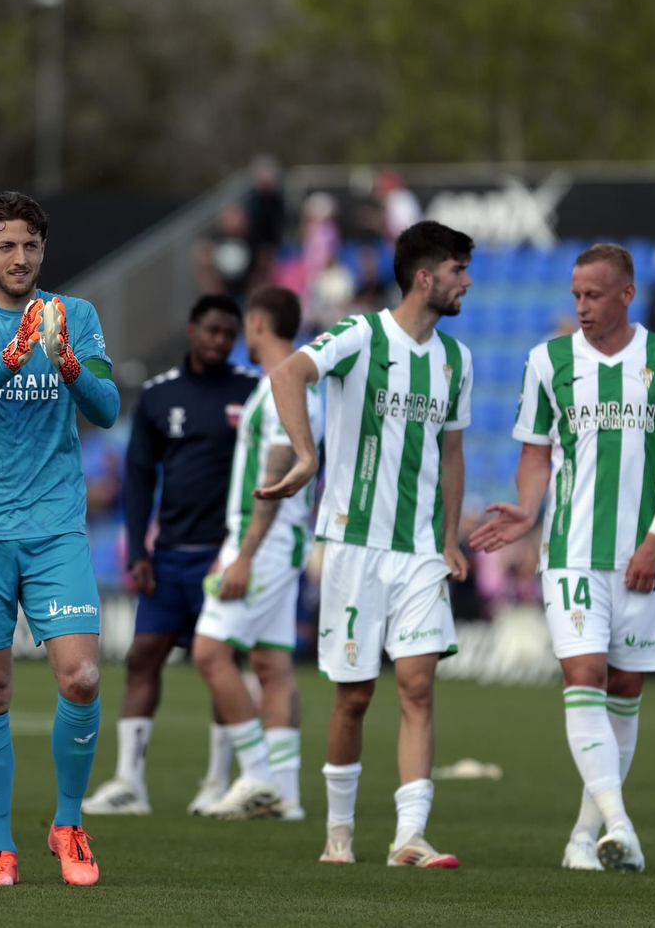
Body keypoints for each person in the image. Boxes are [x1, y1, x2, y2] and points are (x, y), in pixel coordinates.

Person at [472, 243, 655, 874]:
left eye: (594, 295)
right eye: (576, 294)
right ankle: (621, 824)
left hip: (643, 554)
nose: (581, 306)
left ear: (627, 294)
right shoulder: (548, 361)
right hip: (571, 551)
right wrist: (527, 509)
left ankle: (585, 838)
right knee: (585, 677)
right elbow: (535, 453)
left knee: (626, 688)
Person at [258, 220, 474, 869]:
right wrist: (305, 452)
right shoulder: (361, 334)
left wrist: (450, 537)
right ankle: (339, 836)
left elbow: (453, 451)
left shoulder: (455, 360)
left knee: (418, 686)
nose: (467, 283)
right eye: (458, 271)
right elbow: (288, 374)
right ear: (425, 276)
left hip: (418, 553)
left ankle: (409, 836)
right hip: (353, 544)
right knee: (354, 695)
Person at [0, 191, 119, 887]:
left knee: (82, 675)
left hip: (55, 527)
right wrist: (11, 358)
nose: (20, 258)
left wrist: (65, 362)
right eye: (6, 246)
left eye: (31, 245)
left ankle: (67, 823)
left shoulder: (77, 315)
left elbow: (107, 405)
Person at [84, 294, 259, 816]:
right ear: (191, 330)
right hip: (170, 556)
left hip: (222, 557)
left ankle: (216, 782)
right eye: (212, 331)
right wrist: (139, 549)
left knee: (222, 665)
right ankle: (129, 782)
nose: (220, 342)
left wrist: (242, 551)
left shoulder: (252, 392)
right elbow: (138, 476)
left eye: (229, 334)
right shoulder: (161, 396)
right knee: (143, 658)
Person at [194, 286, 320, 821]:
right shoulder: (298, 388)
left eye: (247, 323)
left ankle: (256, 776)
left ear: (260, 322)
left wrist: (242, 555)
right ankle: (286, 794)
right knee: (271, 663)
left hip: (263, 540)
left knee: (209, 652)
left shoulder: (280, 390)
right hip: (283, 541)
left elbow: (273, 477)